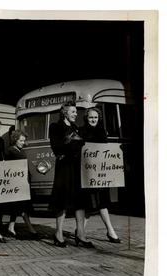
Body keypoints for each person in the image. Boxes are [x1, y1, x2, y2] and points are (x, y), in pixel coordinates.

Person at [49, 102, 94, 248]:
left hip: (77, 168)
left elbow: (83, 145)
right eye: (73, 112)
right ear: (65, 113)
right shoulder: (55, 127)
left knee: (80, 201)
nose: (76, 114)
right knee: (62, 200)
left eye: (76, 112)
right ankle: (59, 234)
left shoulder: (76, 128)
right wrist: (70, 139)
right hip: (64, 168)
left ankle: (80, 235)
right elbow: (56, 147)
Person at [80, 107, 121, 243]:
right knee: (89, 205)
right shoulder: (82, 131)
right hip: (88, 174)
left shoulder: (102, 131)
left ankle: (110, 231)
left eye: (95, 117)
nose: (93, 120)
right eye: (91, 117)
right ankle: (81, 232)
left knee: (102, 203)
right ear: (86, 118)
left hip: (101, 174)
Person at [5, 130, 38, 238]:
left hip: (23, 183)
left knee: (18, 207)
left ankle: (10, 227)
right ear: (15, 140)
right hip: (15, 184)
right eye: (21, 140)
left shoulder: (21, 151)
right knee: (23, 207)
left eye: (24, 140)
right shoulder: (10, 151)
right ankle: (31, 229)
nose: (23, 142)